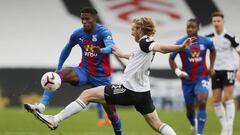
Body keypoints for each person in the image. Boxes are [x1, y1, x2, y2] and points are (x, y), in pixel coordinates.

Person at [33, 16, 196, 135]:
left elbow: (160, 48)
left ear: (140, 29)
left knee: (87, 94)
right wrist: (122, 53)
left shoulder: (145, 42)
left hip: (129, 90)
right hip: (143, 93)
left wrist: (181, 47)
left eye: (133, 29)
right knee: (156, 124)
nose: (132, 33)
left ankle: (55, 120)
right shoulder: (143, 46)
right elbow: (135, 56)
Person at [24, 7, 122, 134]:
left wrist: (102, 50)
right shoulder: (77, 34)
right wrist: (58, 67)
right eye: (82, 19)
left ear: (94, 18)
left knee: (112, 114)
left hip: (102, 78)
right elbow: (67, 49)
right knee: (58, 75)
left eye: (87, 18)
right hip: (84, 71)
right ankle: (42, 106)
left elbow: (111, 47)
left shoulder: (104, 32)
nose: (84, 21)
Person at [169, 18, 216, 135]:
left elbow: (213, 50)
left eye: (192, 27)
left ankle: (199, 133)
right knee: (190, 109)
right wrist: (178, 72)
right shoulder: (181, 42)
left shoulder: (206, 41)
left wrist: (211, 67)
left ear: (198, 28)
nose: (189, 29)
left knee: (201, 100)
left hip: (202, 77)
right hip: (187, 80)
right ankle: (193, 124)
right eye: (188, 27)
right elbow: (171, 58)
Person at [207, 12, 240, 135]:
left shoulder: (230, 37)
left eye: (218, 21)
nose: (216, 23)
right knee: (216, 99)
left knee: (227, 97)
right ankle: (225, 127)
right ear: (212, 22)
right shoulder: (208, 37)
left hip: (229, 69)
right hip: (215, 70)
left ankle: (229, 128)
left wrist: (239, 70)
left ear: (223, 22)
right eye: (214, 21)